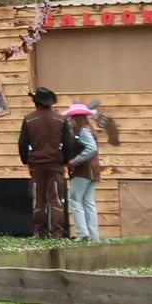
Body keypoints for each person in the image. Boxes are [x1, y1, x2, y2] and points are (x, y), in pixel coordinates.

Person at [18, 86, 71, 240]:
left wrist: (26, 159)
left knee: (39, 199)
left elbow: (22, 143)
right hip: (56, 164)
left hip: (36, 164)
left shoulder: (29, 119)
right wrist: (65, 160)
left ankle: (39, 232)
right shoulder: (61, 119)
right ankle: (57, 232)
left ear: (36, 102)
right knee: (56, 199)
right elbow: (68, 142)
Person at [62, 102, 102, 241]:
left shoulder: (83, 131)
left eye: (71, 118)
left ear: (76, 118)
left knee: (75, 200)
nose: (70, 121)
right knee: (88, 202)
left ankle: (82, 233)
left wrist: (75, 160)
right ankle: (94, 236)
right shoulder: (89, 130)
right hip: (93, 171)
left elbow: (91, 148)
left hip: (83, 171)